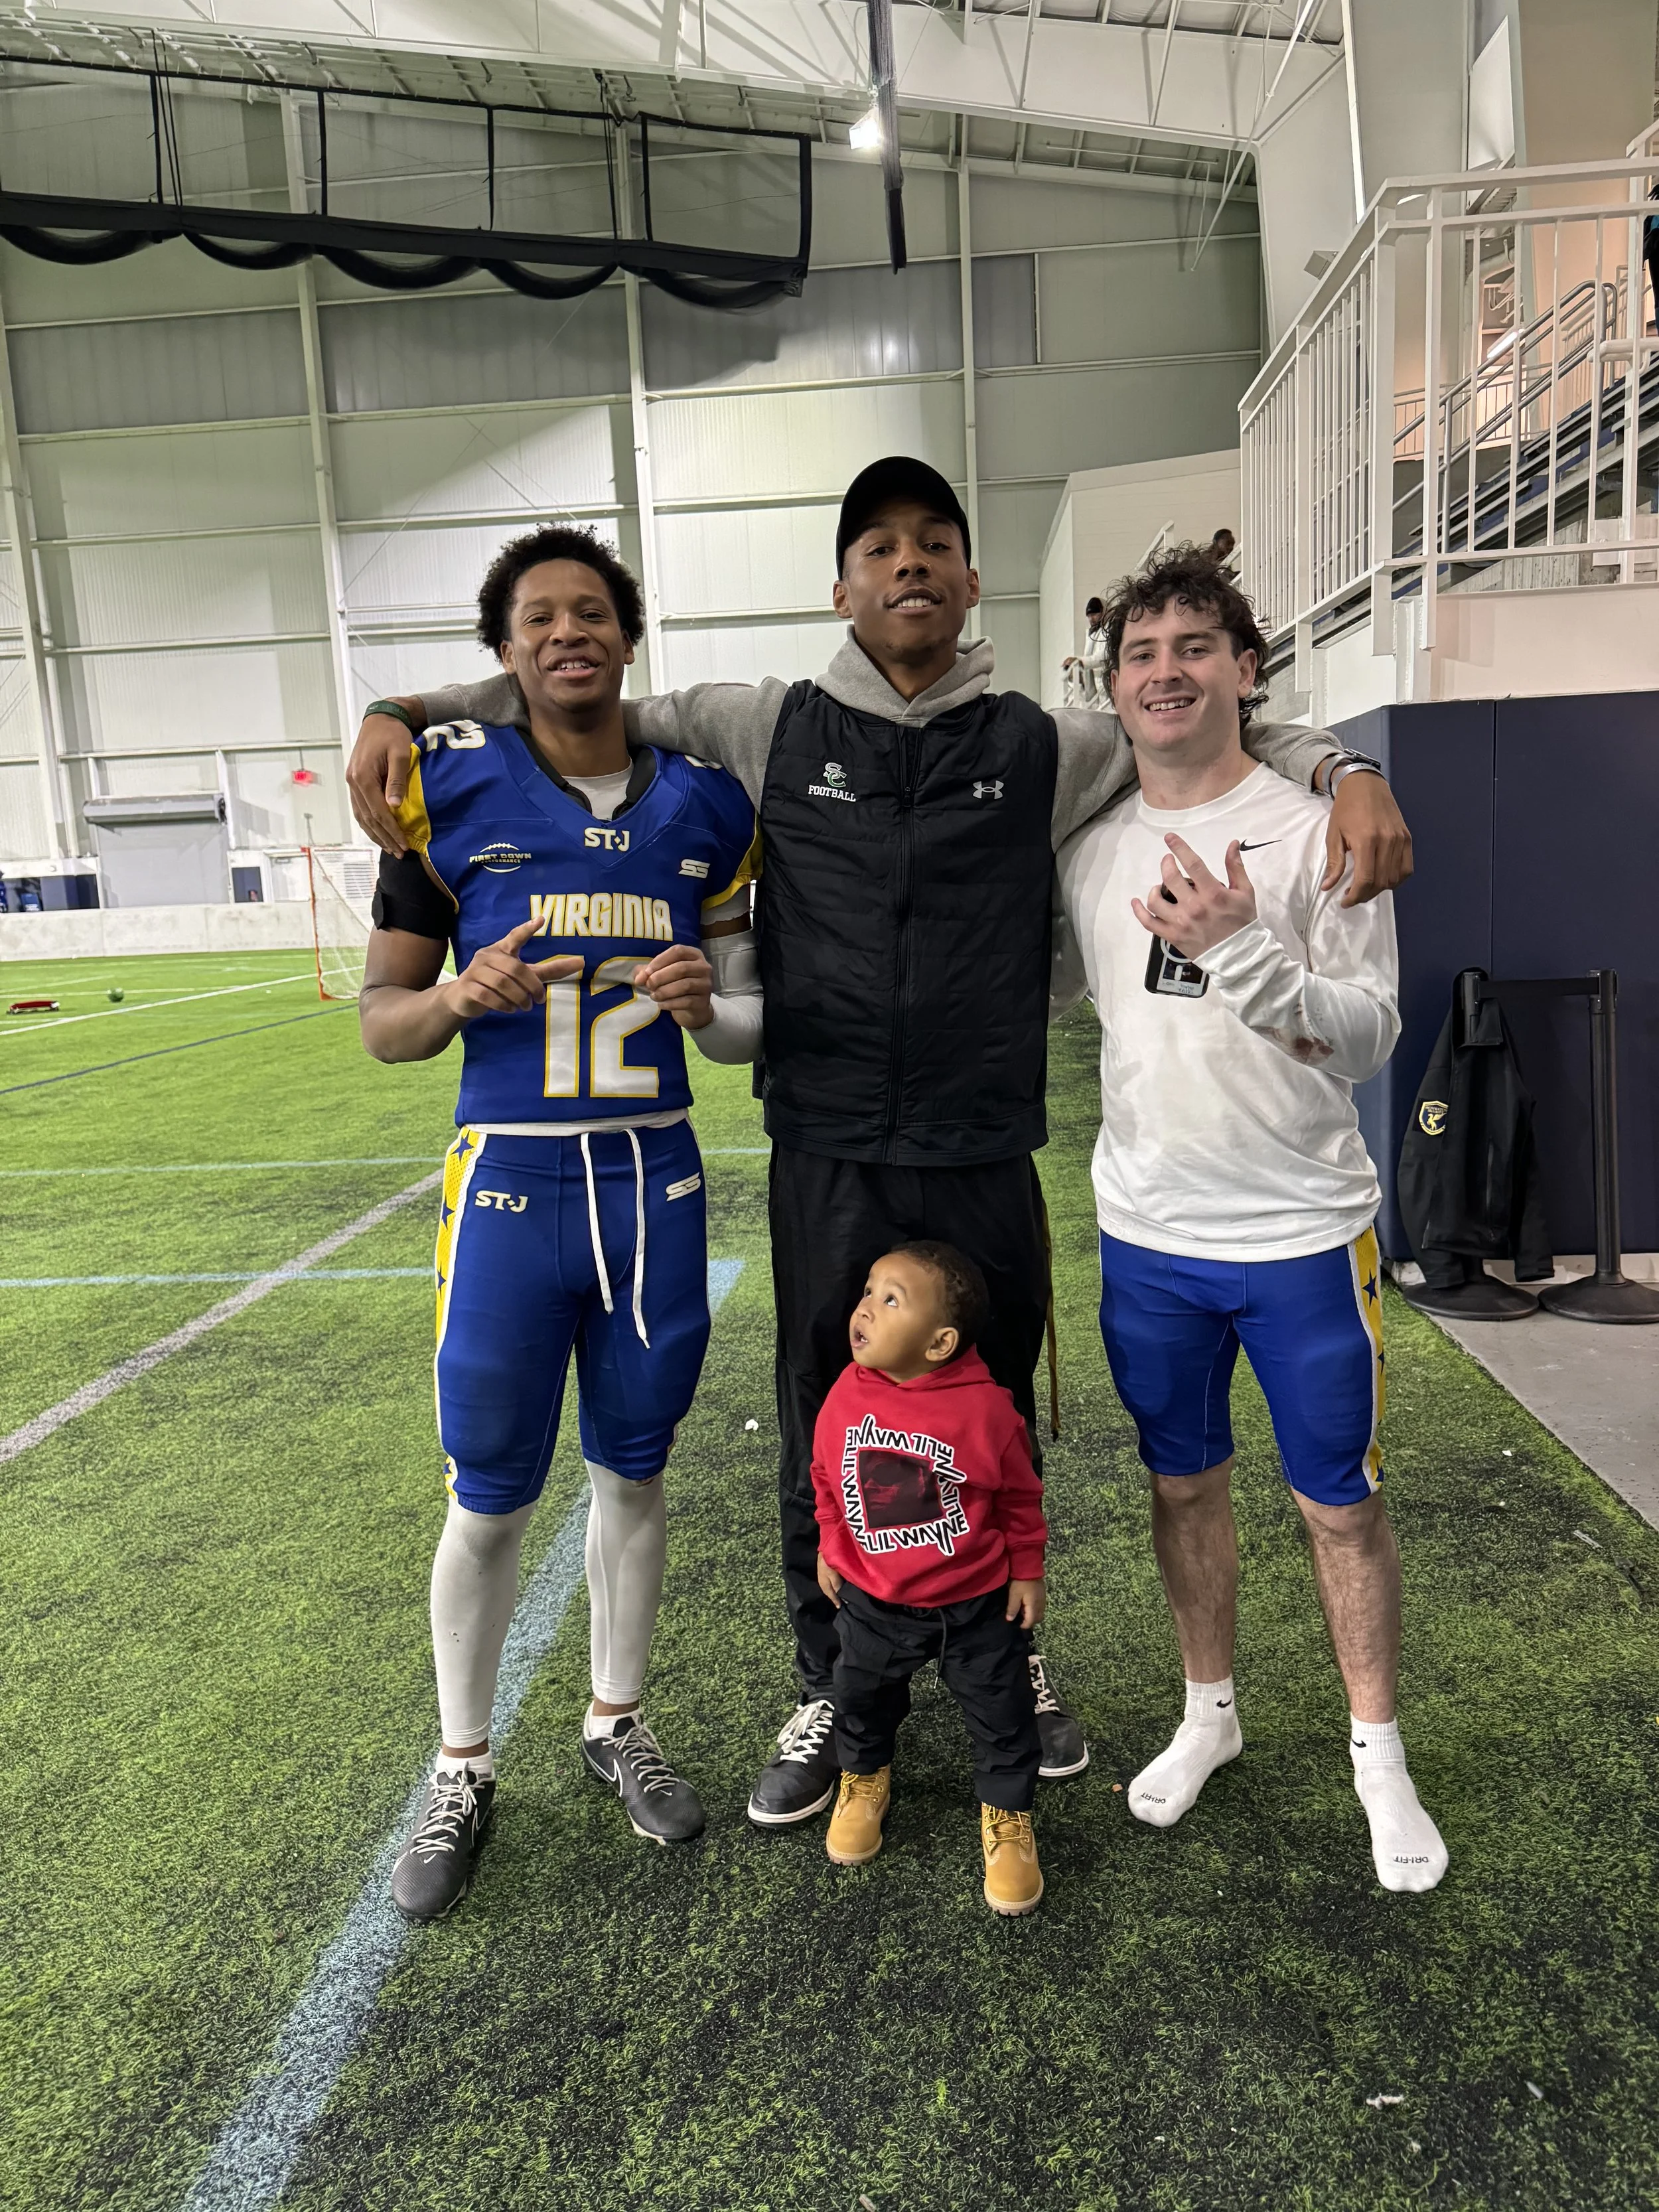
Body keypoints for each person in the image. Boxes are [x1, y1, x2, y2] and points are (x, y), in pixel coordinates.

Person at [346, 455, 1414, 1836]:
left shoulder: (1048, 739)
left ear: (970, 580)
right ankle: (828, 1681)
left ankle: (1007, 1653)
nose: (907, 564)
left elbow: (1203, 725)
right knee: (822, 1414)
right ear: (840, 586)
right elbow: (575, 689)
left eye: (934, 544)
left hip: (981, 1142)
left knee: (994, 1414)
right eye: (879, 548)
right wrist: (402, 702)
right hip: (828, 1140)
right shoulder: (759, 721)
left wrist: (1347, 766)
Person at [359, 524, 762, 1920]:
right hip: (513, 1185)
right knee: (487, 1492)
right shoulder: (448, 787)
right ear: (505, 648)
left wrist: (713, 1010)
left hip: (650, 1181)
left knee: (634, 1472)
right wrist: (454, 1002)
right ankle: (460, 1758)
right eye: (538, 617)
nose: (566, 633)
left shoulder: (706, 806)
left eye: (589, 611)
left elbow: (729, 1025)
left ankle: (613, 1715)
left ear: (626, 637)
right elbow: (381, 1025)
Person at [1053, 543, 1447, 1893]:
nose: (1164, 672)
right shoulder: (1090, 843)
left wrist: (1240, 947)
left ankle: (1374, 1749)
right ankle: (1207, 1711)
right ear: (1112, 688)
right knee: (1181, 1484)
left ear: (1245, 671)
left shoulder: (1310, 826)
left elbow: (1362, 1039)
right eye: (1140, 654)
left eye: (1192, 648)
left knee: (1336, 1508)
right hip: (1147, 1233)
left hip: (1298, 1235)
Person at [812, 1242, 1048, 1915]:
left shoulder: (986, 1412)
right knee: (858, 1693)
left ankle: (1007, 1817)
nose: (864, 1309)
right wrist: (832, 1543)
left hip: (974, 1604)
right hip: (873, 1599)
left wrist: (1026, 1569)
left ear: (940, 1342)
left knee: (1003, 1712)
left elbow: (1018, 1499)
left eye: (891, 1300)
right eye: (867, 1290)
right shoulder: (844, 1393)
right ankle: (863, 1778)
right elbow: (826, 1477)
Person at [1062, 595, 1110, 709]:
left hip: (1108, 688)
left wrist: (1080, 662)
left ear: (1103, 612)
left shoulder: (1109, 630)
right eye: (1089, 616)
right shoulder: (1092, 635)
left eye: (1094, 615)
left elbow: (1103, 657)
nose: (1091, 619)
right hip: (1097, 694)